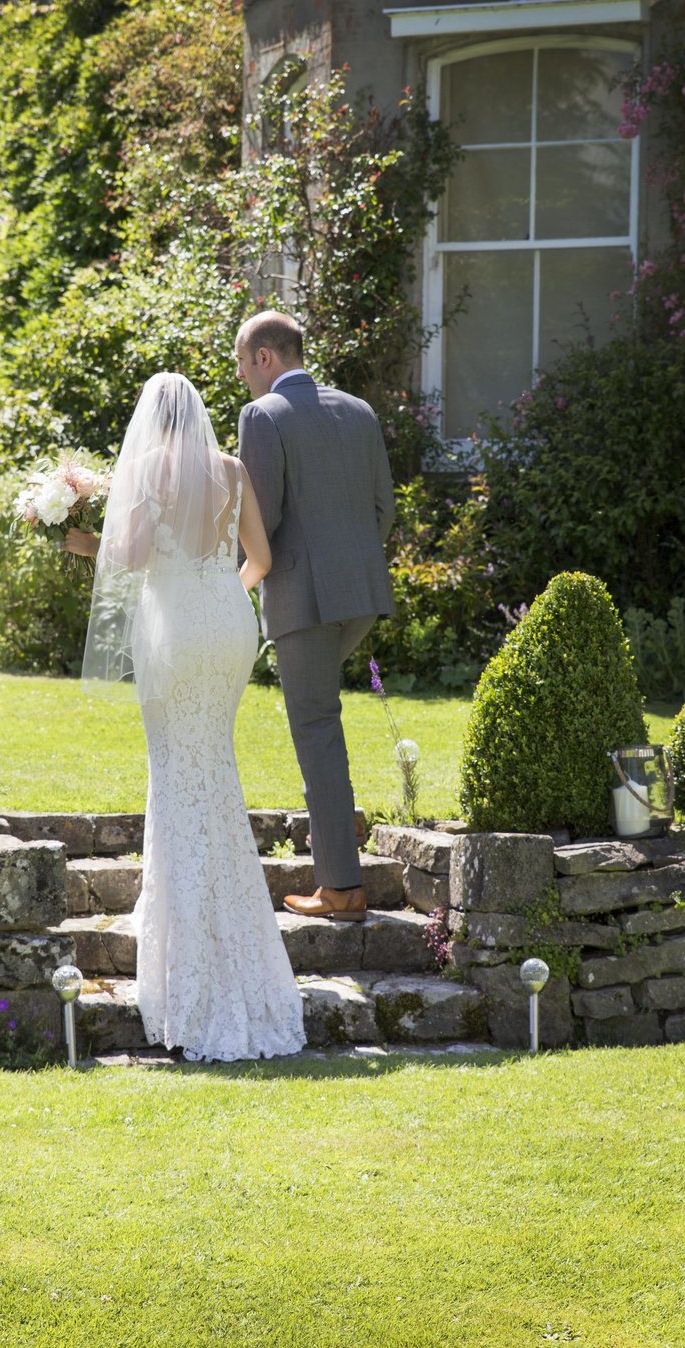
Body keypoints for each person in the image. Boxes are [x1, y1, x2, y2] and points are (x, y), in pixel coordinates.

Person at [69, 372, 305, 1062]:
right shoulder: (231, 470)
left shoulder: (146, 469)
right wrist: (219, 594)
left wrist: (76, 540)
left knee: (176, 767)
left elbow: (133, 557)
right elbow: (260, 558)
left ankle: (184, 941)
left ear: (152, 420)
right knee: (213, 762)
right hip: (228, 623)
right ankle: (224, 926)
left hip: (171, 627)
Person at [235, 310, 395, 922]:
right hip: (360, 597)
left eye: (243, 364)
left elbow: (262, 520)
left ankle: (341, 888)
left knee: (317, 729)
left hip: (303, 599)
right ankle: (340, 878)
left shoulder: (262, 416)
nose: (243, 377)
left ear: (266, 358)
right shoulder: (358, 409)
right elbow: (383, 508)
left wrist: (232, 578)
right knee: (322, 720)